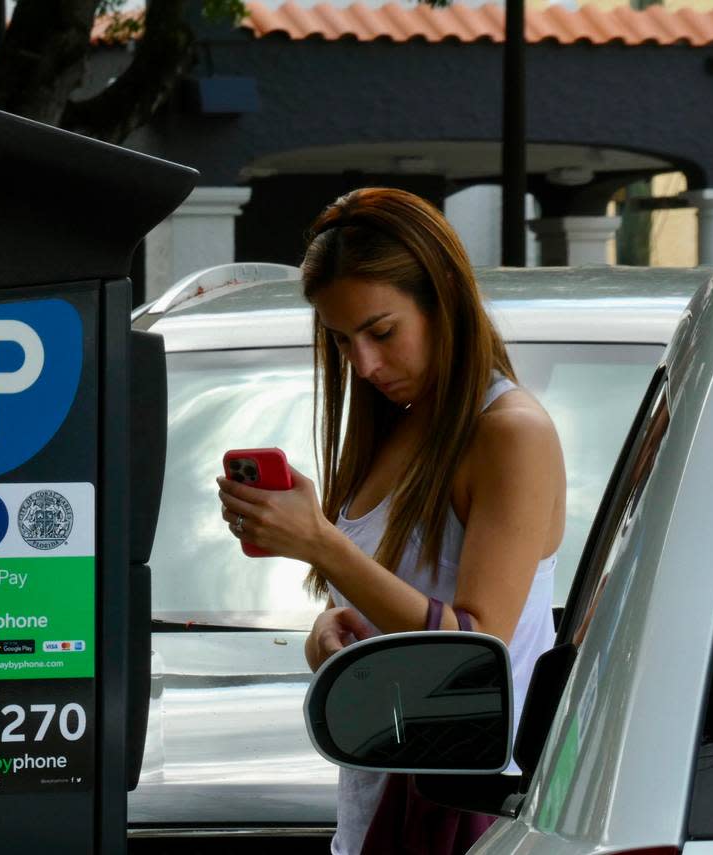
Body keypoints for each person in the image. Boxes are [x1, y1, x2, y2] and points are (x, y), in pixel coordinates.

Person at [216, 187, 564, 854]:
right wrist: (332, 639)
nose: (365, 365)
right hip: (380, 800)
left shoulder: (510, 432)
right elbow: (393, 613)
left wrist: (322, 544)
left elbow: (474, 647)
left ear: (443, 299)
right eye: (343, 341)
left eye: (381, 331)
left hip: (468, 810)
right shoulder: (400, 425)